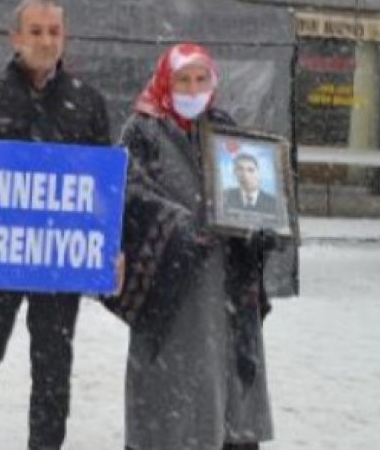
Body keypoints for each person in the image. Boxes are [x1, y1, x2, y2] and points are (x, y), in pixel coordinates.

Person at [0, 0, 110, 450]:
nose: (45, 41)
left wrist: (109, 244)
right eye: (35, 31)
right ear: (15, 37)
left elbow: (103, 189)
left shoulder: (87, 102)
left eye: (54, 31)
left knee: (53, 368)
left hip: (58, 259)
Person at [113, 43, 275, 450]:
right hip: (172, 290)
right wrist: (180, 228)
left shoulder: (225, 128)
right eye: (183, 80)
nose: (193, 89)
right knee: (172, 403)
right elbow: (126, 195)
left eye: (201, 79)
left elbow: (250, 190)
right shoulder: (142, 130)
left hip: (227, 289)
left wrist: (261, 222)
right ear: (165, 82)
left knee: (229, 396)